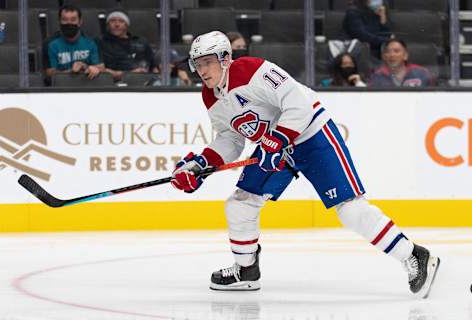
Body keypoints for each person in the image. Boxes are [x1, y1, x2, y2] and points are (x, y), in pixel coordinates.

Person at [170, 31, 440, 297]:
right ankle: (246, 270)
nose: (201, 70)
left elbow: (298, 103)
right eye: (198, 64)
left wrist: (276, 140)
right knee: (240, 203)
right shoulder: (210, 96)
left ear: (225, 58)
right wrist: (200, 165)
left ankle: (414, 255)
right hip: (276, 149)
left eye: (207, 62)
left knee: (350, 210)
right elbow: (230, 138)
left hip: (311, 135)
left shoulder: (252, 70)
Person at [44, 4, 104, 80]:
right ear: (59, 21)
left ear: (80, 22)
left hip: (89, 84)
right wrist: (71, 71)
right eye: (65, 20)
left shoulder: (93, 41)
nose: (69, 23)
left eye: (73, 20)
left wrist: (85, 67)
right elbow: (49, 74)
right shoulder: (49, 43)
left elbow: (102, 68)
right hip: (61, 87)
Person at [98, 9, 155, 82]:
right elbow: (99, 69)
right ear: (108, 24)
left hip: (141, 84)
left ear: (127, 24)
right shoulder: (100, 43)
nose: (117, 24)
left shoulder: (141, 42)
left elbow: (153, 67)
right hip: (111, 85)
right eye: (112, 21)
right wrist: (130, 74)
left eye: (121, 21)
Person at [369, 38, 435, 87]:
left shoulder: (422, 73)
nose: (392, 55)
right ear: (384, 57)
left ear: (405, 55)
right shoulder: (377, 76)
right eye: (388, 52)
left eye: (396, 51)